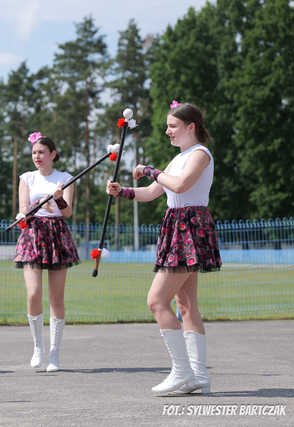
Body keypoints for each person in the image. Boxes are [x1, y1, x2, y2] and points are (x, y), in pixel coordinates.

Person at [106, 101, 221, 394]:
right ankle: (199, 378)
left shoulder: (200, 154)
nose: (167, 131)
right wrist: (125, 192)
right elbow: (153, 192)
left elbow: (180, 185)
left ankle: (182, 372)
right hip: (177, 226)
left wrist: (149, 169)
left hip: (189, 227)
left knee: (157, 300)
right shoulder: (178, 158)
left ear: (190, 127)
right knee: (186, 305)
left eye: (172, 126)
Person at [13, 132, 79, 372]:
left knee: (56, 297)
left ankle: (54, 353)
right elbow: (23, 208)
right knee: (33, 293)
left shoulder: (66, 178)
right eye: (34, 153)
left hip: (57, 235)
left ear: (52, 154)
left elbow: (68, 213)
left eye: (41, 152)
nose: (37, 157)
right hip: (33, 234)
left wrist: (59, 200)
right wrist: (27, 211)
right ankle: (38, 347)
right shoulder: (27, 178)